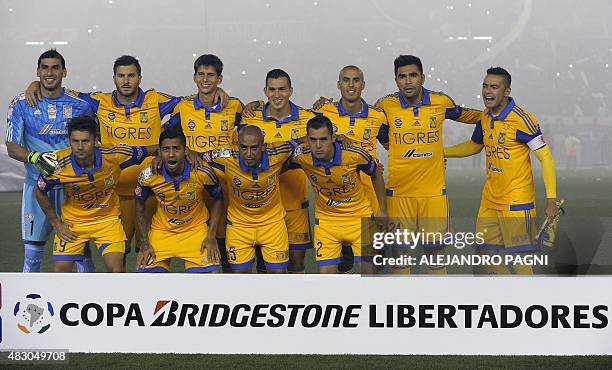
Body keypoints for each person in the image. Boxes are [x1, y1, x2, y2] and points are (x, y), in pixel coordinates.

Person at [25, 55, 228, 259]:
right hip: (114, 193)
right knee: (119, 253)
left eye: (131, 75)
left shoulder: (155, 100)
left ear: (140, 78)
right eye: (121, 75)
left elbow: (190, 101)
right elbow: (65, 93)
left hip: (150, 190)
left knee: (147, 251)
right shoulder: (99, 102)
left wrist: (214, 91)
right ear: (114, 78)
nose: (126, 80)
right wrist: (36, 84)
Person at [444, 67, 559, 274]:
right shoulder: (485, 117)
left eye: (494, 87)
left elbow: (546, 158)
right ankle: (506, 296)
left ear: (506, 92)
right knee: (484, 255)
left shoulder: (523, 120)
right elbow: (474, 145)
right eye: (485, 86)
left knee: (520, 260)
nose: (487, 91)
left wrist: (551, 200)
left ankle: (528, 301)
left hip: (517, 201)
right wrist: (442, 153)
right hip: (490, 199)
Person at [375, 55, 481, 274]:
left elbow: (472, 116)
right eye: (402, 77)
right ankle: (404, 304)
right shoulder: (385, 106)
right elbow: (366, 126)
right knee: (402, 258)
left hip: (433, 194)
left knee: (435, 256)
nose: (408, 81)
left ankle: (436, 302)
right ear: (396, 80)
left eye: (413, 75)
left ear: (422, 77)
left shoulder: (440, 102)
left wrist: (494, 114)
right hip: (398, 195)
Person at [5, 49, 95, 272]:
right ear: (37, 72)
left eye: (55, 67)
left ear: (64, 71)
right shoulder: (20, 104)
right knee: (33, 253)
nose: (49, 72)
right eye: (44, 67)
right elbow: (12, 146)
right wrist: (34, 157)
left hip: (72, 188)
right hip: (36, 186)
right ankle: (28, 302)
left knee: (80, 252)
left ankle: (88, 298)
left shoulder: (80, 105)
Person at [34, 115, 158, 272]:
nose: (80, 147)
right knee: (60, 272)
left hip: (108, 221)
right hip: (74, 223)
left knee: (116, 271)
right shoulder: (56, 164)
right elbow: (39, 191)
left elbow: (151, 149)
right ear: (69, 141)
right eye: (75, 141)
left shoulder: (114, 155)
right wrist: (56, 223)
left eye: (85, 141)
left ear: (95, 140)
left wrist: (167, 155)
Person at [164, 54, 244, 272]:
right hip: (195, 186)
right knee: (200, 241)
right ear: (194, 77)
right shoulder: (184, 107)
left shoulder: (234, 106)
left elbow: (251, 131)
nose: (205, 79)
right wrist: (188, 150)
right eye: (201, 74)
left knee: (226, 244)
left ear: (220, 79)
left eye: (211, 75)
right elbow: (168, 136)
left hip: (227, 185)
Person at [312, 65, 388, 272]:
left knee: (372, 266)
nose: (351, 84)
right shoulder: (323, 111)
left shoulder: (378, 116)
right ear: (339, 85)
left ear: (363, 85)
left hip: (369, 199)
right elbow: (306, 135)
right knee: (341, 265)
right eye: (346, 80)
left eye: (356, 80)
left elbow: (394, 145)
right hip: (337, 200)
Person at [241, 69, 316, 273]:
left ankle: (294, 304)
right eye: (272, 89)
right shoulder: (250, 119)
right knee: (265, 267)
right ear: (265, 91)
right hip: (261, 208)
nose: (277, 95)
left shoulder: (308, 118)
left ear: (291, 91)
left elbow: (330, 132)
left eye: (282, 89)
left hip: (295, 205)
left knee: (296, 264)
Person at [290, 115, 387, 273]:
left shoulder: (354, 153)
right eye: (313, 140)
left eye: (323, 139)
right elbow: (275, 161)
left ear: (333, 137)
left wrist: (382, 210)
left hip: (359, 217)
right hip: (327, 222)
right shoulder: (301, 156)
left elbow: (376, 174)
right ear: (307, 139)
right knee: (326, 278)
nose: (318, 145)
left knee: (368, 272)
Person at [201, 125, 294, 273]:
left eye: (254, 148)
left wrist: (340, 140)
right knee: (240, 278)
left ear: (263, 146)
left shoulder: (278, 153)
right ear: (238, 146)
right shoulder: (225, 156)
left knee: (278, 276)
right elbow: (198, 157)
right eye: (244, 148)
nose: (248, 153)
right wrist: (191, 154)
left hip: (272, 223)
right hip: (239, 226)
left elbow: (302, 142)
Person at [135, 129, 224, 273]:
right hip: (162, 231)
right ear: (159, 152)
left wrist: (211, 235)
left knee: (213, 277)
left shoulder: (202, 172)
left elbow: (218, 199)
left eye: (176, 149)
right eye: (166, 149)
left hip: (195, 231)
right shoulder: (148, 175)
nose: (171, 154)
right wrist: (145, 243)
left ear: (185, 151)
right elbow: (139, 205)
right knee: (146, 281)